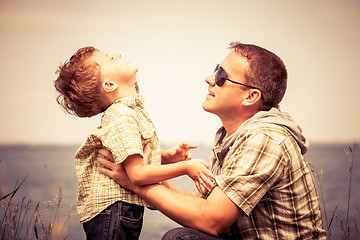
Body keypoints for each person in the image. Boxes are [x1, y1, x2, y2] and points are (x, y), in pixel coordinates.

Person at [97, 42, 327, 239]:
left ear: (251, 96)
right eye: (215, 70)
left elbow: (210, 221)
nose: (209, 79)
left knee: (180, 238)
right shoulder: (232, 138)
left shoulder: (265, 139)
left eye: (221, 77)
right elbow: (200, 208)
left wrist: (135, 183)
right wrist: (144, 173)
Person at [54, 46, 214, 240]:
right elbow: (137, 174)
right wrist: (186, 167)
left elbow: (130, 156)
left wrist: (166, 157)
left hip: (115, 211)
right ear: (110, 84)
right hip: (112, 212)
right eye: (110, 59)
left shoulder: (126, 112)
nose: (118, 54)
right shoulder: (122, 116)